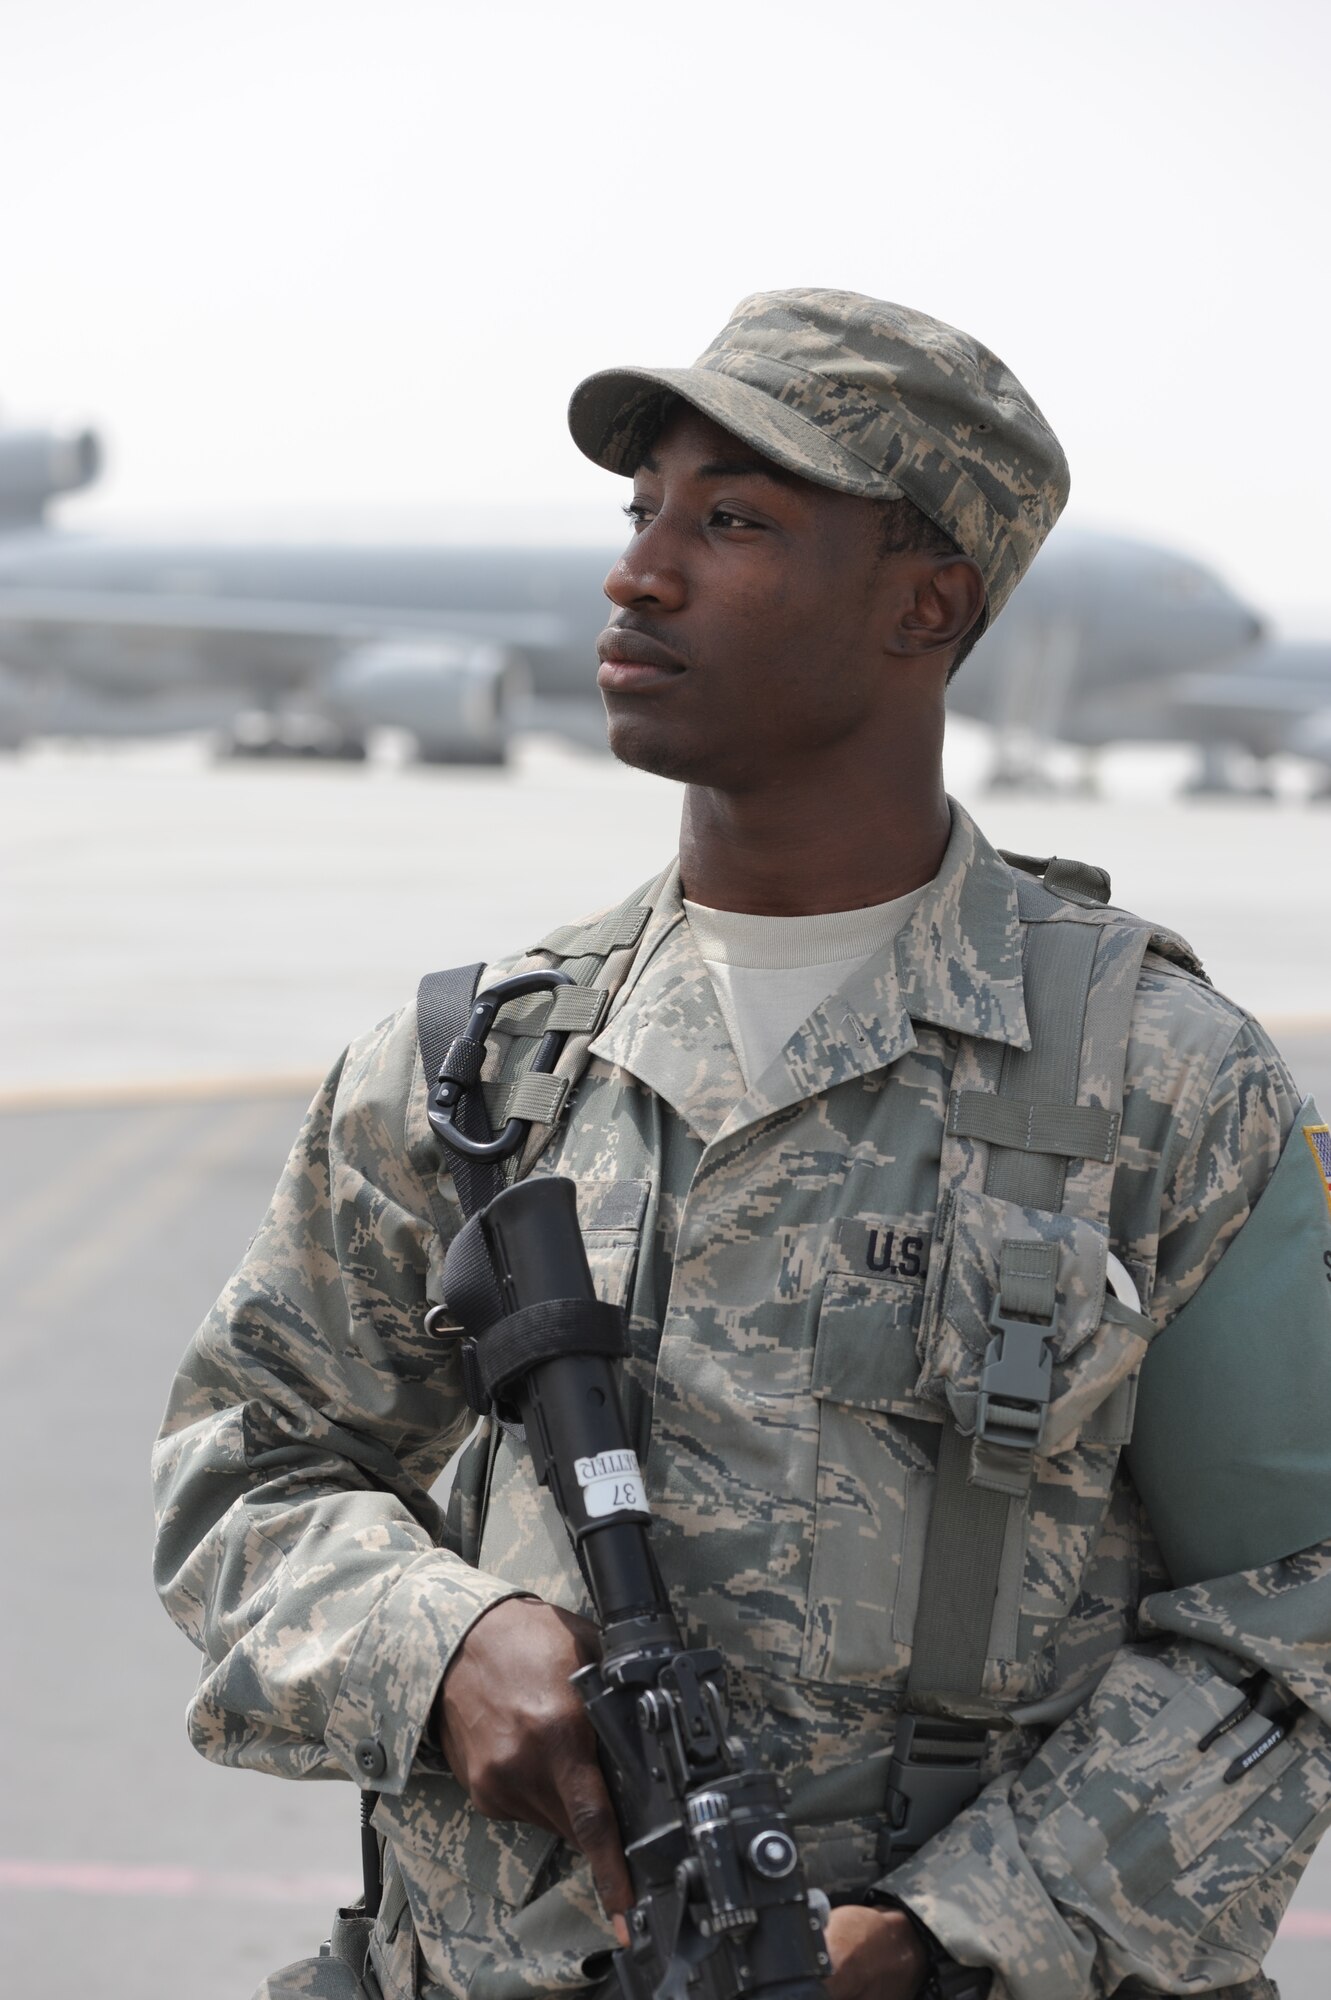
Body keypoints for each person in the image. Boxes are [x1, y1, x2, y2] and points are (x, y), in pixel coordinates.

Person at [153, 290, 1331, 2000]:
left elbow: (1298, 1611)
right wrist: (446, 1641)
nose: (638, 576)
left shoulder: (1168, 1086)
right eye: (641, 516)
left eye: (734, 523)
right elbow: (247, 1464)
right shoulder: (475, 1066)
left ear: (927, 603)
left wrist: (947, 1938)